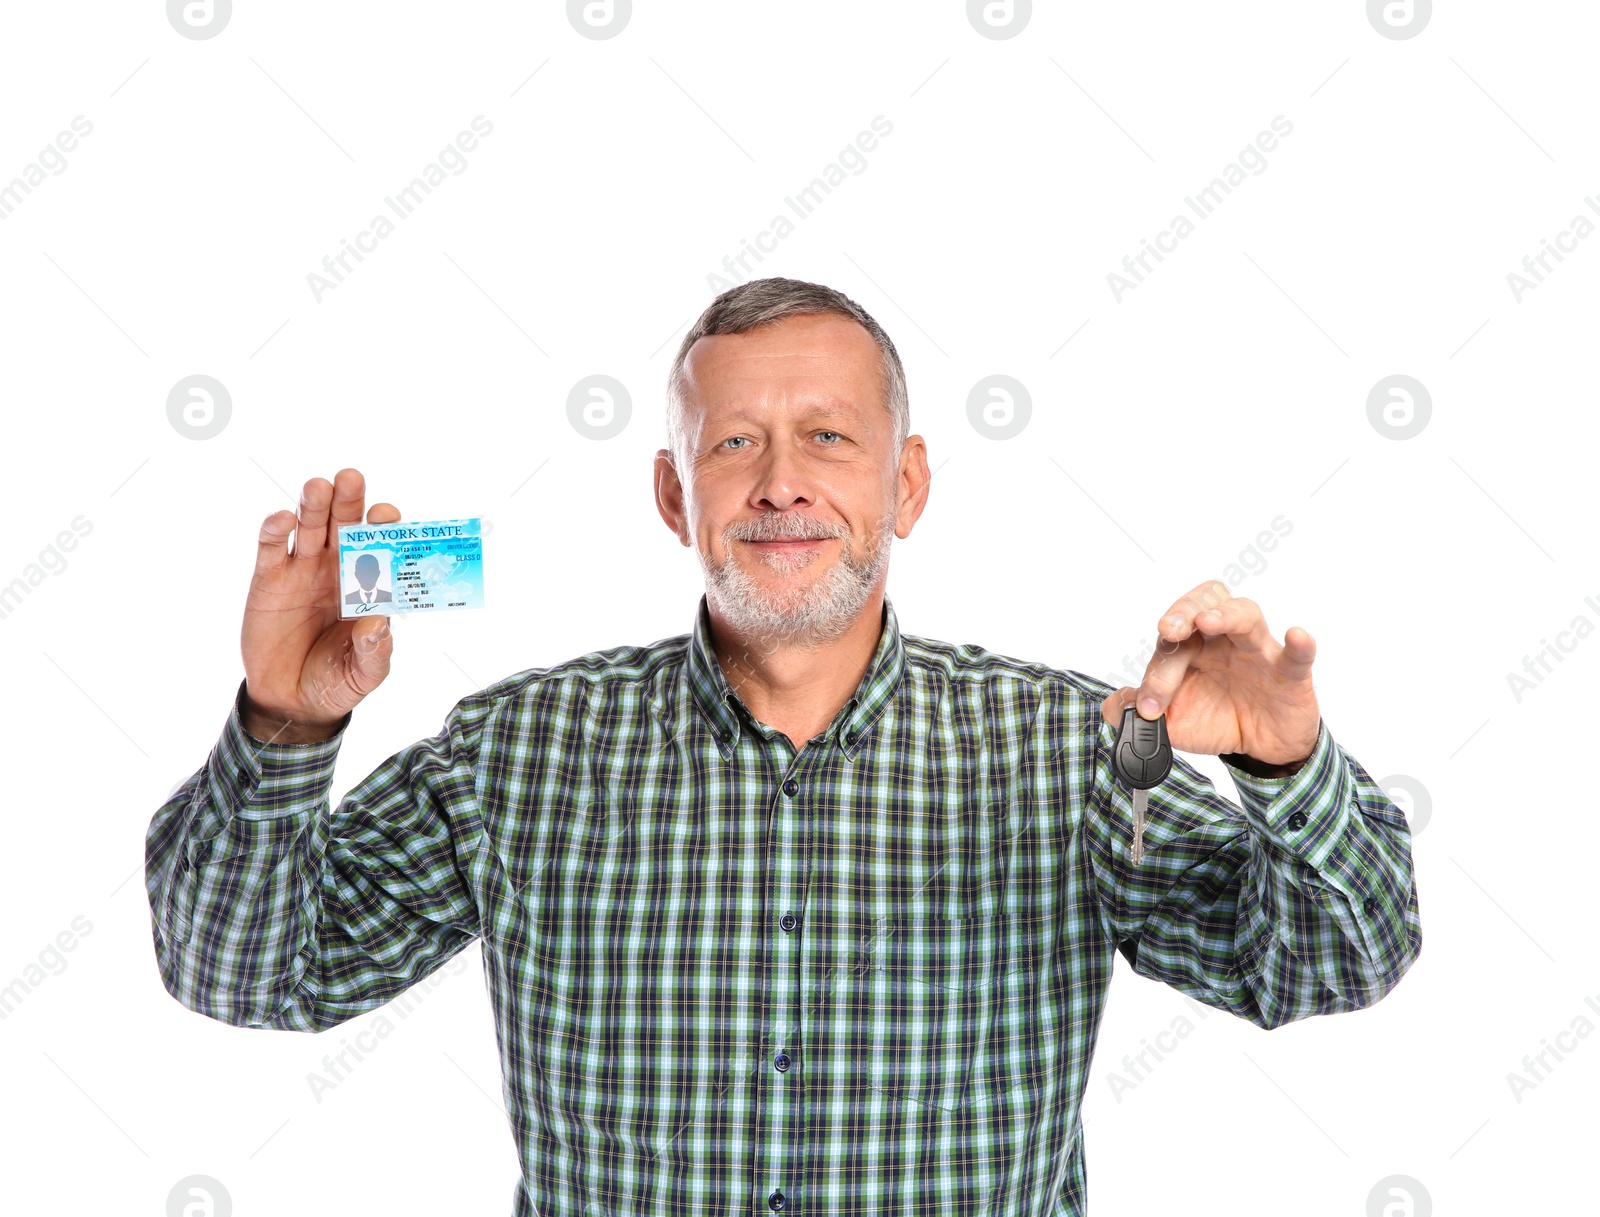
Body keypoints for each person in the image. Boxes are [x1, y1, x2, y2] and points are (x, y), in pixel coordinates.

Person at [144, 277, 1421, 1216]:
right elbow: (246, 974)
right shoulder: (517, 752)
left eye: (828, 436)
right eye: (734, 441)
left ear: (905, 484)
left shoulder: (1068, 750)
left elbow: (1324, 964)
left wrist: (1282, 771)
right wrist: (287, 720)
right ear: (671, 493)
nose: (778, 482)